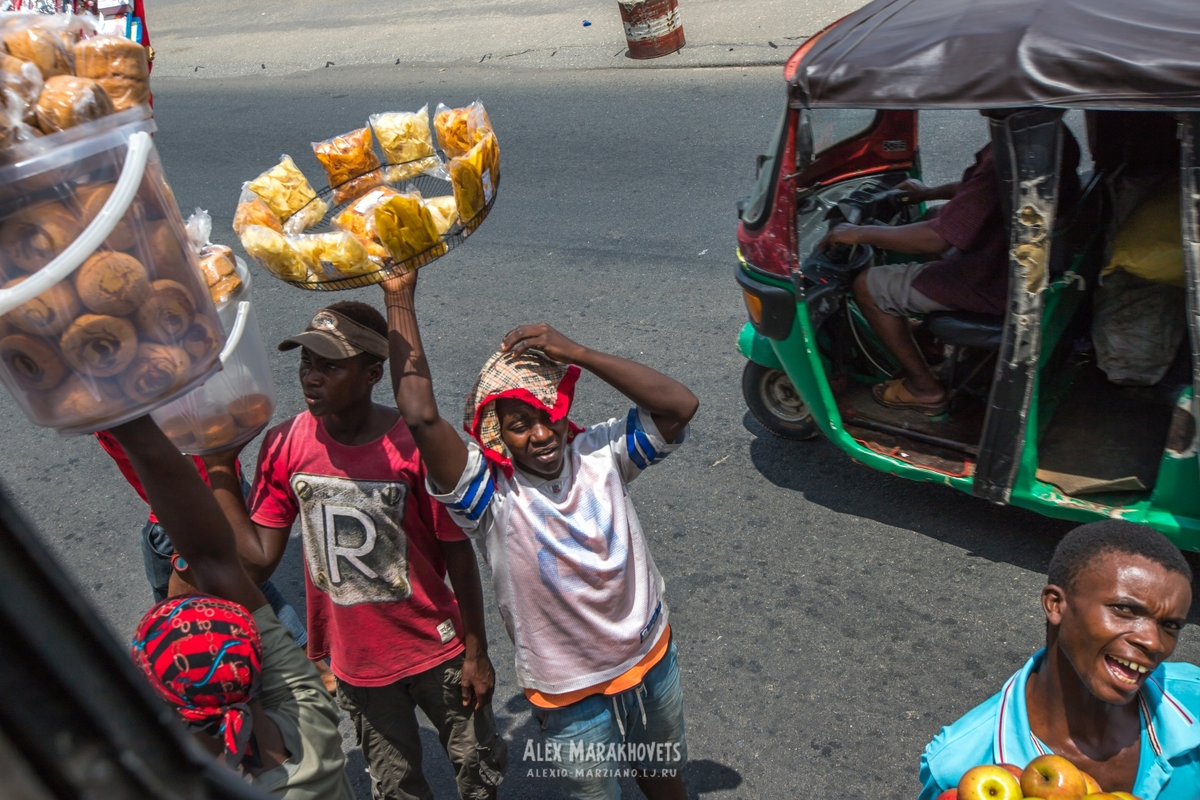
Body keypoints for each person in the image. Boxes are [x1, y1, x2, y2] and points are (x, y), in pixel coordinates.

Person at [381, 271, 699, 800]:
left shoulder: (602, 454)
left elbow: (679, 405)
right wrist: (398, 296)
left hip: (650, 656)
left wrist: (577, 350)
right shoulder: (488, 497)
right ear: (496, 436)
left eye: (545, 415)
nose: (541, 435)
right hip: (567, 690)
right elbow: (419, 416)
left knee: (664, 777)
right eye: (519, 424)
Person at [208, 300, 507, 800]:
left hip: (439, 650)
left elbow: (458, 553)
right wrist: (218, 470)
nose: (311, 377)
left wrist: (475, 649)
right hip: (359, 664)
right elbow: (258, 559)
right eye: (306, 363)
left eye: (330, 365)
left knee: (477, 771)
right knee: (395, 786)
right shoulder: (284, 445)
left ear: (372, 374)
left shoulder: (413, 447)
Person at [107, 415, 354, 800]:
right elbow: (215, 562)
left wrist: (120, 417)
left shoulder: (311, 711)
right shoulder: (312, 727)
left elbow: (210, 560)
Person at [919, 520, 1199, 799]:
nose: (1152, 642)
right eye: (1124, 609)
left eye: (1170, 626)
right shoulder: (959, 766)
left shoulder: (1194, 701)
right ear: (1056, 605)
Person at [820, 120, 1080, 414]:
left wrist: (858, 233)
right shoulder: (1043, 131)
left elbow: (936, 239)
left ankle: (924, 390)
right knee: (932, 213)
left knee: (868, 286)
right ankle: (930, 343)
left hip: (997, 277)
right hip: (1021, 259)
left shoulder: (1012, 148)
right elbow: (982, 191)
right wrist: (929, 193)